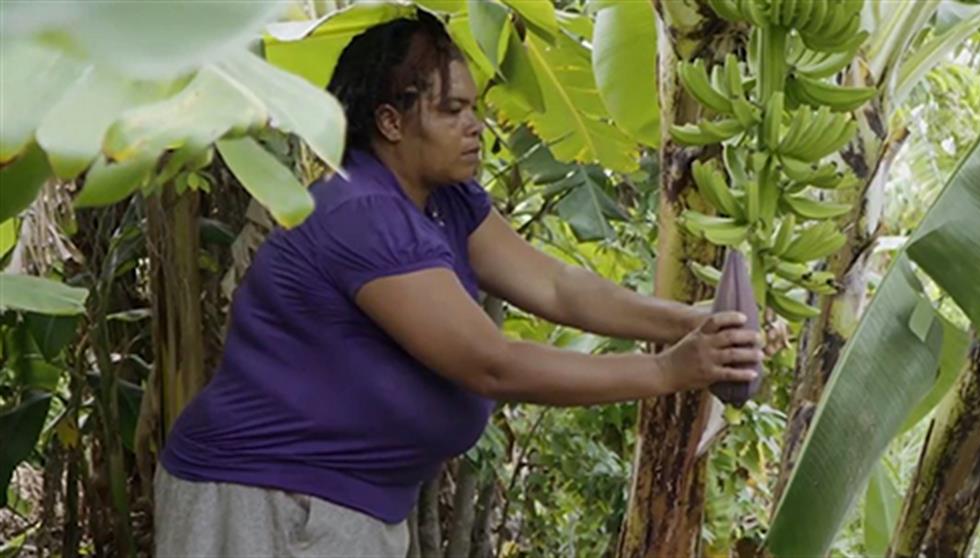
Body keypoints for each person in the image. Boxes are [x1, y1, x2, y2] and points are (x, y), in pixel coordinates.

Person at [154, 11, 763, 557]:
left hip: (342, 502)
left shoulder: (444, 200)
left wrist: (695, 321)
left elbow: (557, 288)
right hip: (271, 499)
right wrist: (666, 373)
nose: (475, 126)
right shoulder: (361, 213)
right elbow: (490, 365)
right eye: (451, 111)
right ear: (390, 121)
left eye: (473, 108)